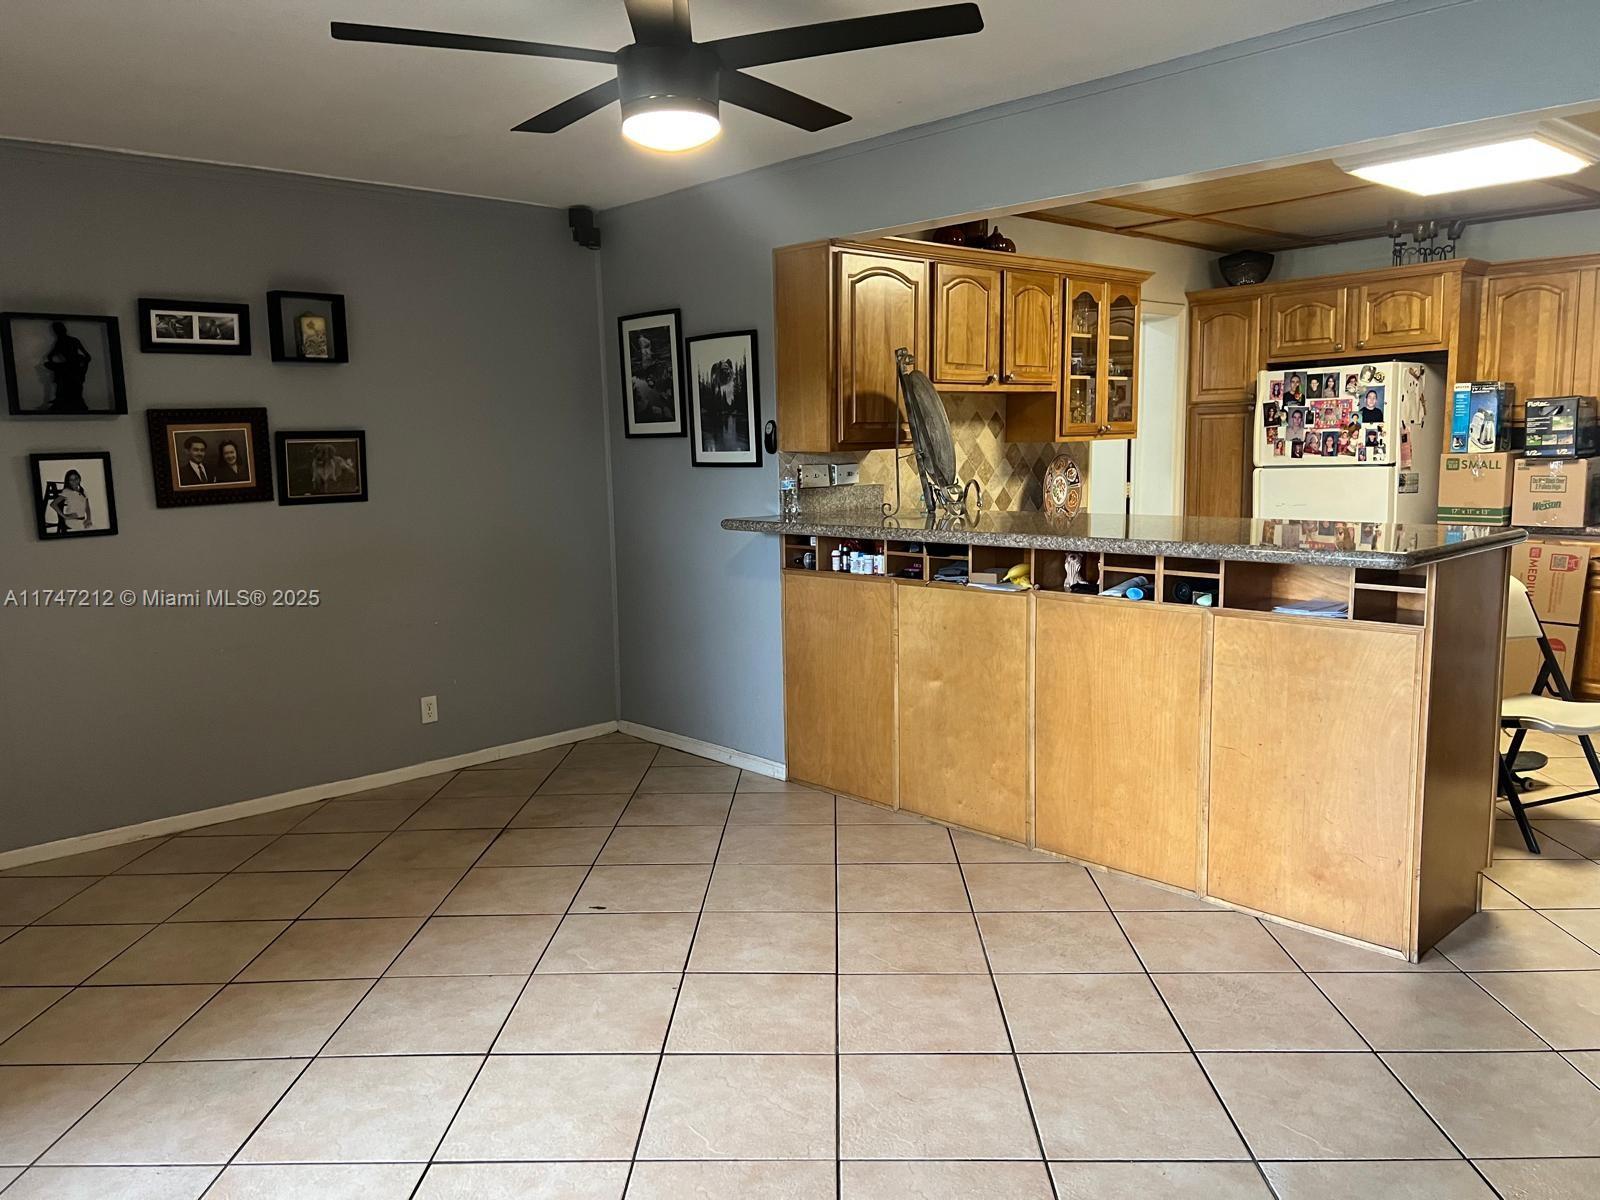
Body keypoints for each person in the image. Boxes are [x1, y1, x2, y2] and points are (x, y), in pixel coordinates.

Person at [42, 321, 91, 413]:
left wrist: (83, 364)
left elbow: (88, 357)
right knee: (66, 382)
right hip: (72, 367)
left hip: (73, 367)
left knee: (68, 383)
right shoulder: (68, 341)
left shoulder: (64, 342)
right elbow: (88, 357)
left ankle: (63, 399)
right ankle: (62, 399)